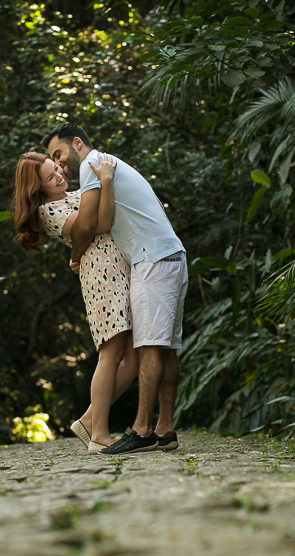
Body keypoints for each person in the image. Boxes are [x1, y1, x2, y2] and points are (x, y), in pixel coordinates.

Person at [42, 124, 187, 455]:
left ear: (77, 143)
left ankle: (141, 429)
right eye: (53, 163)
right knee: (163, 348)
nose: (61, 165)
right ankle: (164, 429)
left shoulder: (92, 165)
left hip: (152, 258)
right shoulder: (102, 164)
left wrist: (75, 256)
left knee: (148, 346)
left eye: (59, 155)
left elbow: (92, 224)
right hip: (166, 254)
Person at [12, 151, 138, 453]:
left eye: (57, 169)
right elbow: (99, 223)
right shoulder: (47, 212)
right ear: (36, 188)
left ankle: (88, 420)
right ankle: (99, 434)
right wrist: (105, 182)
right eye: (50, 177)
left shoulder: (77, 191)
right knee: (111, 352)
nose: (58, 177)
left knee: (134, 357)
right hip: (100, 276)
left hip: (120, 270)